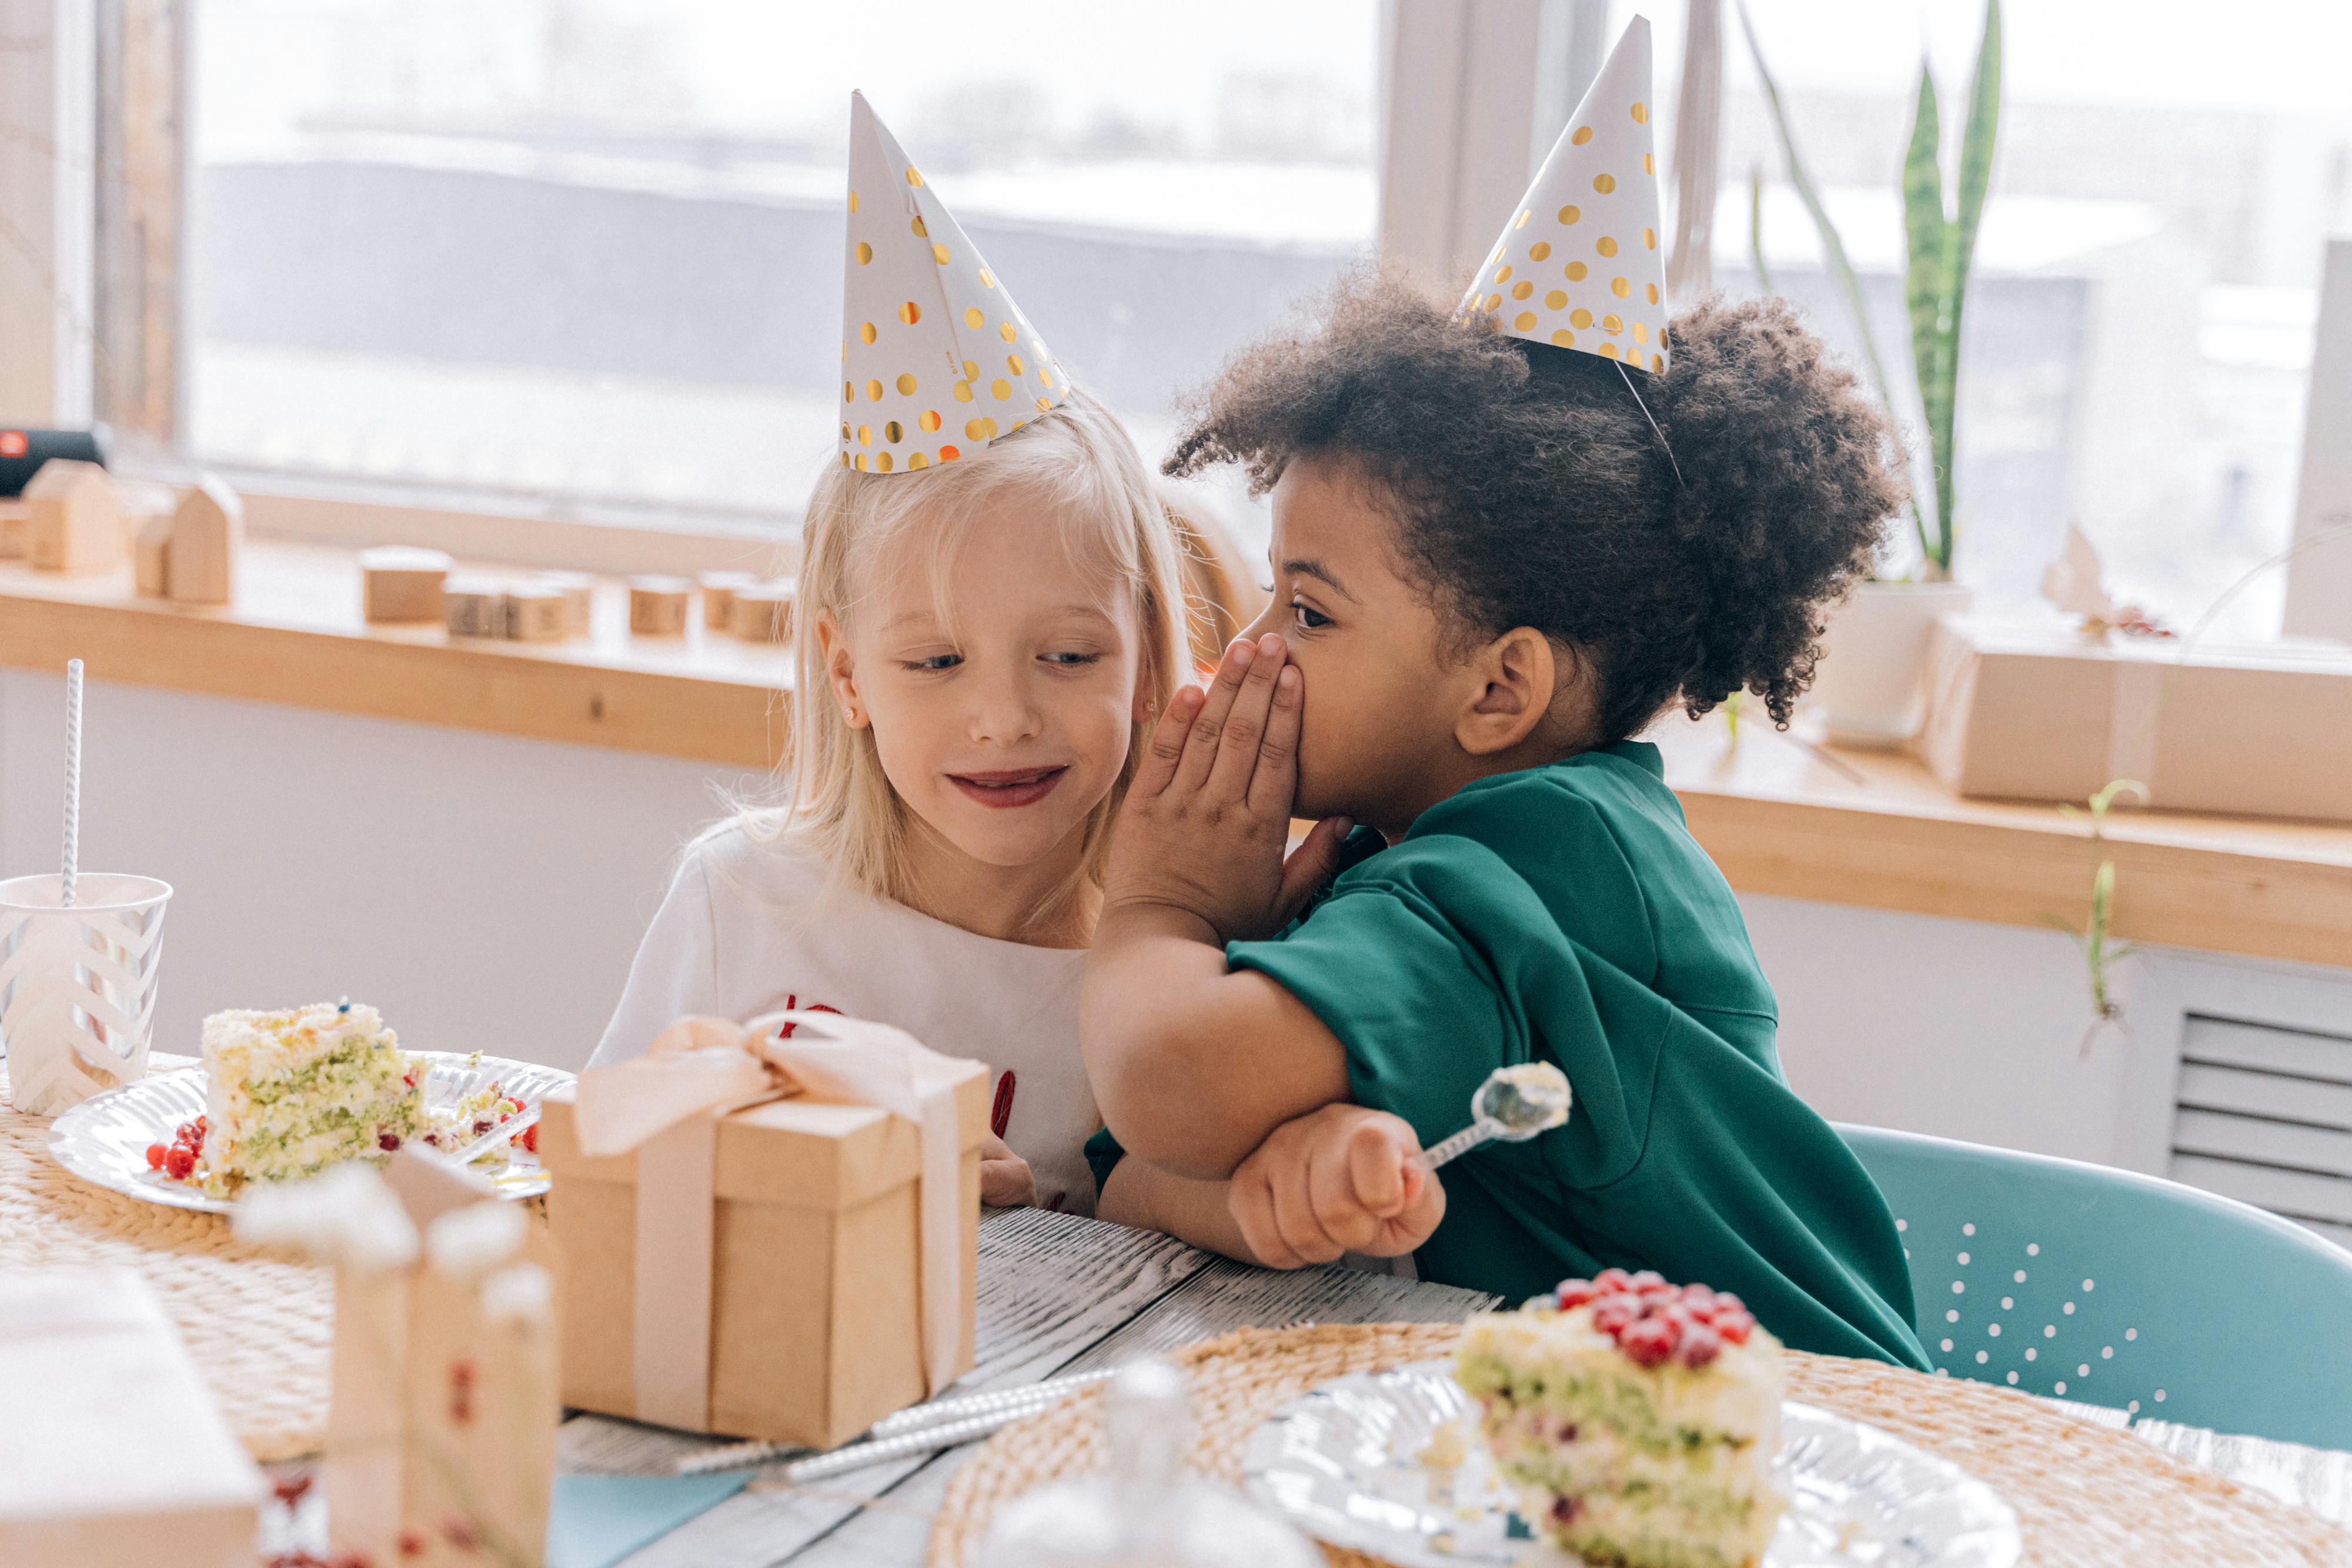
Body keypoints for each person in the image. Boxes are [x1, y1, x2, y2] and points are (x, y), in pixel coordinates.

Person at [1076, 25, 1927, 1365]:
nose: (1252, 649)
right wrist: (1259, 1180)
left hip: (1792, 1447)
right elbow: (1126, 1164)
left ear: (1498, 686)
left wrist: (1160, 905)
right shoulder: (1409, 851)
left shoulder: (1535, 865)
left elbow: (1170, 1083)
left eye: (1307, 609)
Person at [589, 92, 1205, 1217]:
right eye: (935, 664)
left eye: (1069, 656)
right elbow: (599, 1172)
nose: (1005, 717)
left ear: (1150, 667)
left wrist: (1037, 1227)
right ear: (845, 674)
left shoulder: (1176, 968)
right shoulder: (744, 903)